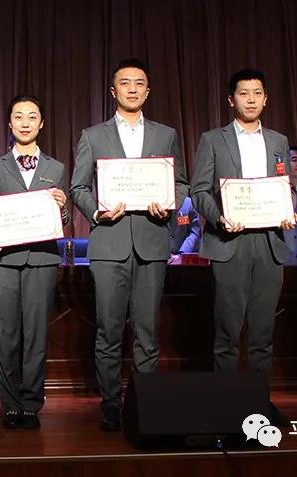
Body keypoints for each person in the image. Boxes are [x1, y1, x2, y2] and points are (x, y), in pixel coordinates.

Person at [69, 59, 189, 431]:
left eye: (139, 83)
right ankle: (110, 405)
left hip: (152, 243)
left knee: (147, 332)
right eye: (125, 82)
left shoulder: (166, 135)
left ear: (148, 91)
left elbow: (181, 182)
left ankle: (144, 403)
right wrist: (97, 211)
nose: (132, 88)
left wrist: (168, 203)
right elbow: (78, 187)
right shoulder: (93, 135)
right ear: (113, 91)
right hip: (109, 245)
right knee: (108, 331)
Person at [190, 69, 296, 426]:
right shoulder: (212, 140)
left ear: (266, 99)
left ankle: (258, 405)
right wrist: (220, 217)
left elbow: (284, 186)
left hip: (269, 243)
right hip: (229, 242)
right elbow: (199, 190)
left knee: (263, 334)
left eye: (257, 93)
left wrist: (287, 211)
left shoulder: (279, 141)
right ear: (231, 99)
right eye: (243, 93)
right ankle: (226, 406)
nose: (251, 99)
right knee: (227, 333)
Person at [0, 95, 69, 429]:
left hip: (42, 260)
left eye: (32, 116)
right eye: (19, 116)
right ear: (9, 123)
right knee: (7, 334)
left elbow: (63, 220)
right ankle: (10, 405)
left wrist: (62, 207)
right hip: (3, 261)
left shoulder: (56, 168)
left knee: (36, 335)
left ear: (42, 123)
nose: (25, 122)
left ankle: (31, 404)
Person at [168, 196, 201, 264]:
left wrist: (182, 252)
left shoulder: (188, 203)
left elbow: (195, 231)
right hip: (159, 255)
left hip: (182, 255)